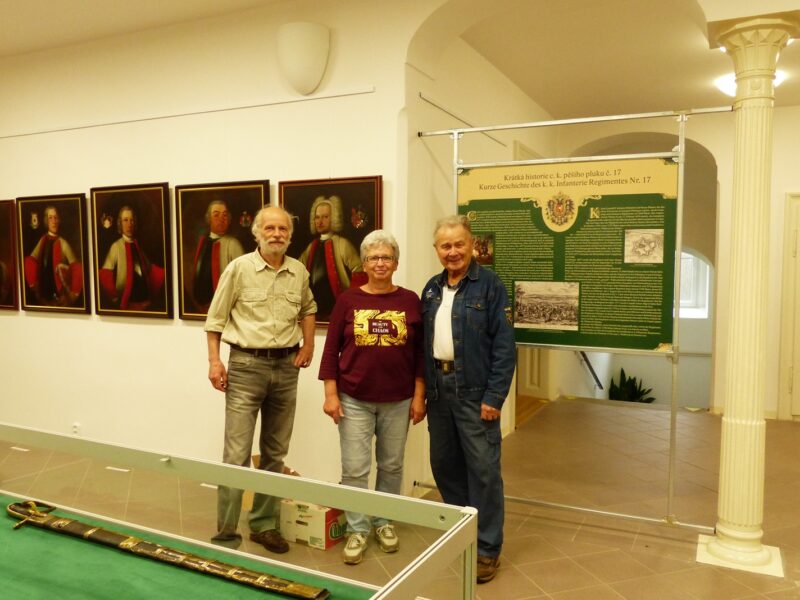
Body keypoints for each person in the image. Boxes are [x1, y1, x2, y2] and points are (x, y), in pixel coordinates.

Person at [204, 205, 316, 554]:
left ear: (290, 235)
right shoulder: (238, 269)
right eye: (270, 228)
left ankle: (264, 525)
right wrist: (214, 362)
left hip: (286, 369)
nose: (277, 234)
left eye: (283, 229)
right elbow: (215, 320)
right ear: (257, 233)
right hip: (246, 366)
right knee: (236, 453)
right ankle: (226, 532)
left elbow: (308, 309)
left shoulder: (298, 271)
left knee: (275, 453)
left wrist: (309, 343)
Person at [319, 229, 426, 565]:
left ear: (395, 262)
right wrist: (330, 394)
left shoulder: (410, 300)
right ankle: (357, 529)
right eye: (373, 257)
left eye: (386, 257)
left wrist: (419, 395)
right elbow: (330, 350)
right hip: (353, 398)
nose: (380, 263)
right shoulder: (348, 300)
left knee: (392, 465)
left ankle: (383, 521)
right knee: (354, 468)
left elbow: (420, 353)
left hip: (398, 399)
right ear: (363, 263)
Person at [421, 215, 515, 584]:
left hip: (476, 393)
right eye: (445, 246)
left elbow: (505, 348)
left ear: (472, 244)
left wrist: (495, 395)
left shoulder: (490, 286)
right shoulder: (430, 288)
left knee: (484, 471)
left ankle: (487, 549)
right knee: (444, 465)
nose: (453, 252)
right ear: (437, 250)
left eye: (459, 244)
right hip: (437, 391)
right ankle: (463, 534)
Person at [298, 196, 362, 318]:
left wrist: (351, 301)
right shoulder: (312, 246)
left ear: (334, 218)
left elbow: (360, 272)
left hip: (337, 305)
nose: (320, 221)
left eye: (325, 217)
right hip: (313, 306)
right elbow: (297, 268)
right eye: (317, 217)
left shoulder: (342, 244)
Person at [98, 205, 165, 310]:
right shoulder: (116, 246)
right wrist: (115, 298)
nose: (129, 224)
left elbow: (150, 270)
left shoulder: (137, 245)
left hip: (144, 301)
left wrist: (167, 273)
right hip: (127, 302)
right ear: (120, 223)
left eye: (131, 220)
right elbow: (105, 273)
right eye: (125, 220)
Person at [23, 205, 83, 306]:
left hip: (59, 295)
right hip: (43, 295)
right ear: (46, 221)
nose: (54, 221)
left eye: (56, 218)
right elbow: (30, 260)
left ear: (59, 220)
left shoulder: (63, 243)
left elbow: (77, 268)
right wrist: (34, 284)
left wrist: (64, 268)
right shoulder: (42, 240)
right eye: (50, 218)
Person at [192, 199, 245, 310]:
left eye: (225, 215)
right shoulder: (203, 242)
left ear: (229, 220)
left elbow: (242, 279)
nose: (221, 219)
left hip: (223, 306)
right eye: (216, 215)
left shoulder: (233, 244)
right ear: (209, 219)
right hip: (202, 307)